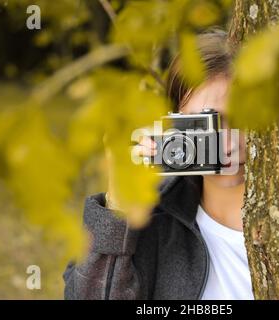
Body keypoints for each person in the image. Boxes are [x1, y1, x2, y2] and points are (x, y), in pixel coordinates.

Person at [63, 28, 253, 300]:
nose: (222, 139)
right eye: (200, 125)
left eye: (237, 118)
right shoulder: (154, 216)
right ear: (173, 125)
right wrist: (119, 208)